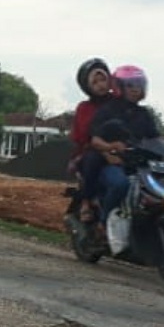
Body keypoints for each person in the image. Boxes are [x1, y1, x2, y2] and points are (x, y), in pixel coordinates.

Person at [88, 64, 162, 223]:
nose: (136, 89)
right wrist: (112, 147)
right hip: (113, 163)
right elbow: (95, 140)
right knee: (120, 185)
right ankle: (103, 224)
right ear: (119, 86)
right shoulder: (108, 110)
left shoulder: (144, 114)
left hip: (140, 166)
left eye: (139, 84)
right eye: (131, 85)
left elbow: (156, 139)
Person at [68, 58, 110, 221]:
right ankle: (86, 202)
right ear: (87, 86)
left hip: (118, 150)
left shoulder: (118, 103)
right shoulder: (84, 108)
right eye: (95, 81)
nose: (100, 84)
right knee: (92, 160)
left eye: (103, 79)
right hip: (92, 149)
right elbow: (82, 135)